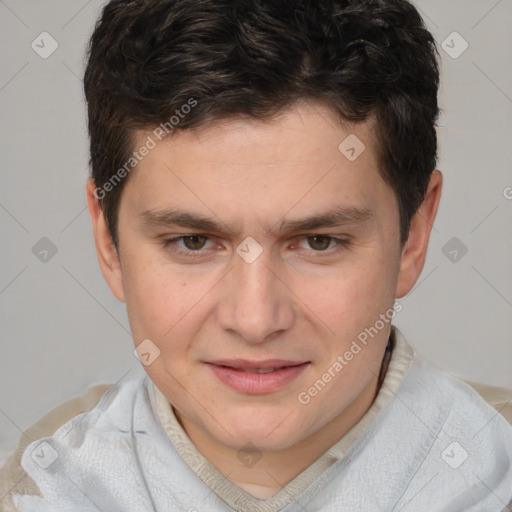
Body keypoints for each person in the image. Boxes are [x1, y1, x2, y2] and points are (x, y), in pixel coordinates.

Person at [1, 0, 512, 510]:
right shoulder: (43, 490)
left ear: (414, 235)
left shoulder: (497, 465)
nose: (254, 320)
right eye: (193, 242)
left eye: (318, 242)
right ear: (108, 242)